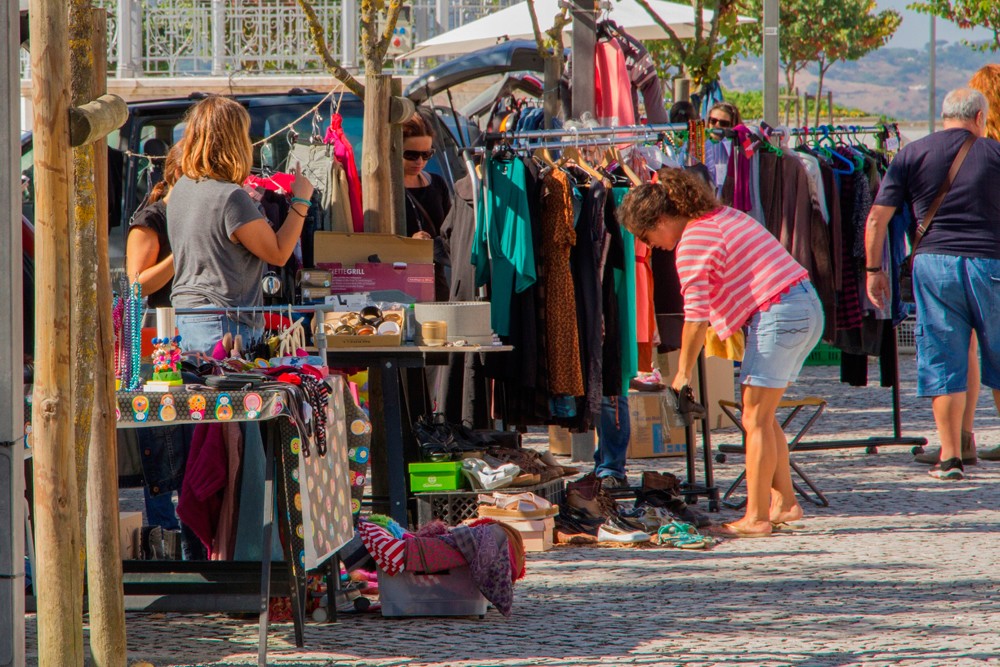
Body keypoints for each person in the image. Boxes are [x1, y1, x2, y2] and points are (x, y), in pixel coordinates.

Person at [619, 170, 823, 538]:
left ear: (661, 220)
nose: (649, 245)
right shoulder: (718, 217)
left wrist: (681, 374)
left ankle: (756, 517)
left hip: (782, 311)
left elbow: (695, 319)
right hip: (801, 305)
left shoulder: (694, 241)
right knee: (761, 413)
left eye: (645, 236)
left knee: (755, 418)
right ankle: (786, 503)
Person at [866, 87, 1000, 480]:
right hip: (991, 263)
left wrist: (875, 271)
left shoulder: (912, 154)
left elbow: (877, 219)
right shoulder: (994, 153)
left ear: (944, 117)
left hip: (933, 265)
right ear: (979, 118)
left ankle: (951, 457)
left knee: (944, 360)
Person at [167, 95, 313, 354]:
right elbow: (278, 254)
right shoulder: (230, 196)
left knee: (200, 394)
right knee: (230, 394)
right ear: (235, 140)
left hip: (189, 315)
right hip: (225, 321)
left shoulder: (182, 188)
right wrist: (301, 200)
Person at [402, 110, 452, 300]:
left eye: (426, 154)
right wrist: (409, 243)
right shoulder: (384, 191)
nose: (420, 162)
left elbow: (450, 234)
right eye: (411, 155)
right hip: (397, 285)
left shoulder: (437, 184)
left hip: (436, 284)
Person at [703, 101, 741, 196]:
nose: (717, 126)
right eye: (713, 121)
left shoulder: (738, 148)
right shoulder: (698, 144)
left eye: (723, 123)